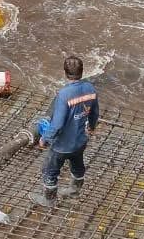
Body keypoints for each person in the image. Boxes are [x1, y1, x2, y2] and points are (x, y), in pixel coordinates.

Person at [31, 55, 100, 208]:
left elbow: (57, 124)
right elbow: (94, 113)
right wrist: (92, 127)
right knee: (77, 165)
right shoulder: (90, 88)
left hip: (62, 145)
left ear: (65, 72)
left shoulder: (63, 94)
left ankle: (49, 200)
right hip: (80, 141)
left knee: (50, 170)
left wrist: (45, 138)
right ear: (82, 72)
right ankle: (74, 191)